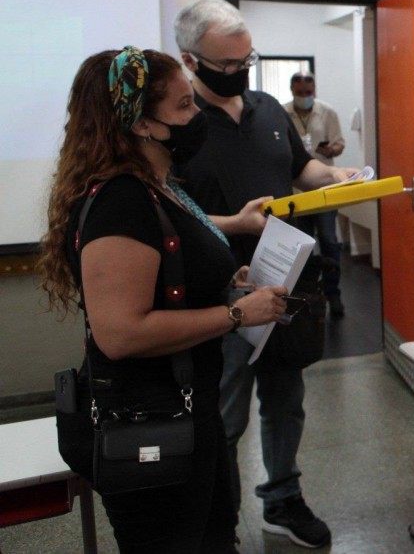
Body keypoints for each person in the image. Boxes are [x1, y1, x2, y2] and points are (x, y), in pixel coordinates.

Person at [39, 47, 287, 553]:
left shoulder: (161, 187)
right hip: (148, 420)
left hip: (190, 405)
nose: (198, 116)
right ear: (143, 124)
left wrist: (225, 279)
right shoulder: (120, 201)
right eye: (183, 108)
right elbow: (121, 333)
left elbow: (173, 260)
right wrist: (236, 313)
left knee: (215, 535)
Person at [173, 0, 357, 549]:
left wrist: (338, 176)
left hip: (286, 282)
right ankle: (218, 517)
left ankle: (282, 498)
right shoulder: (177, 124)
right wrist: (234, 222)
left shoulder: (268, 110)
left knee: (286, 400)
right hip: (220, 295)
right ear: (189, 60)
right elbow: (166, 210)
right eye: (227, 65)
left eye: (247, 59)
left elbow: (303, 169)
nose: (240, 72)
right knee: (224, 415)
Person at [284, 71, 346, 317]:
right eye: (300, 93)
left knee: (330, 242)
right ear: (292, 90)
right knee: (303, 245)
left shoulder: (327, 112)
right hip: (295, 192)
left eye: (308, 92)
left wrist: (332, 149)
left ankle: (334, 294)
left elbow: (340, 143)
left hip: (324, 190)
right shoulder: (281, 112)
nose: (304, 97)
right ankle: (308, 293)